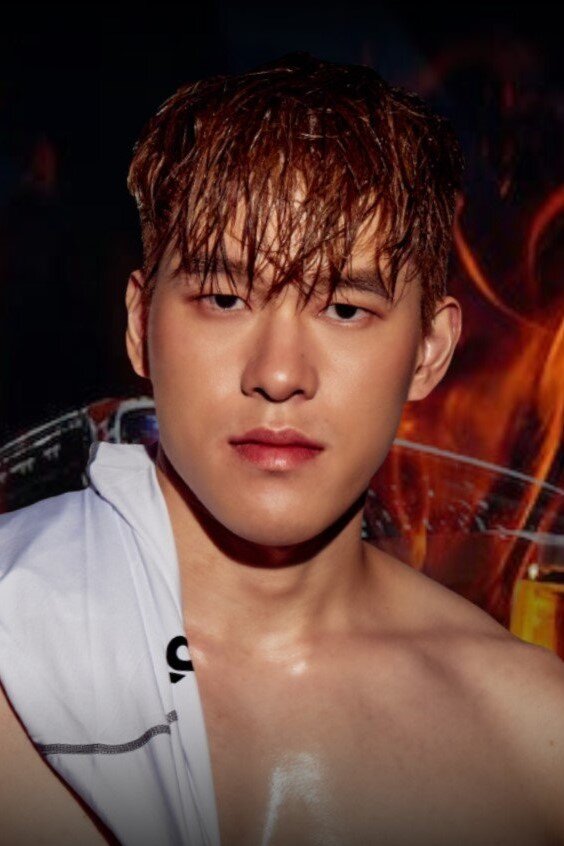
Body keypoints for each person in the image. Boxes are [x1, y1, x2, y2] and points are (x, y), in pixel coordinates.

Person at [1, 52, 563, 846]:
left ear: (429, 352)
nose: (277, 374)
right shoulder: (17, 632)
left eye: (344, 309)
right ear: (140, 324)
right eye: (224, 298)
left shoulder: (536, 741)